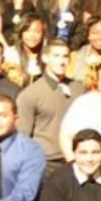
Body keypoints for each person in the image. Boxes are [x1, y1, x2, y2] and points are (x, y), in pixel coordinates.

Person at [16, 40, 80, 177]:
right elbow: (22, 137)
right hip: (46, 163)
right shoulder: (30, 94)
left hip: (77, 160)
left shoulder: (78, 88)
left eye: (65, 56)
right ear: (45, 58)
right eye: (56, 56)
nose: (61, 61)